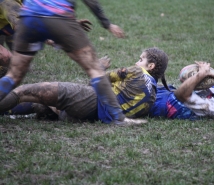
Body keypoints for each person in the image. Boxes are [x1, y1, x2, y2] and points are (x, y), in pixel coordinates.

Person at [0, 0, 132, 124]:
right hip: (57, 14)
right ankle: (118, 119)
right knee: (95, 69)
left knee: (13, 75)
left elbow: (29, 17)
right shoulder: (8, 3)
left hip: (29, 18)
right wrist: (107, 24)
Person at [0, 47, 170, 124]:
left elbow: (96, 81)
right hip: (88, 117)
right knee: (42, 104)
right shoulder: (152, 96)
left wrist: (100, 67)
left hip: (90, 100)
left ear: (151, 66)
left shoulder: (137, 72)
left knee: (26, 90)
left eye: (141, 59)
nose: (136, 61)